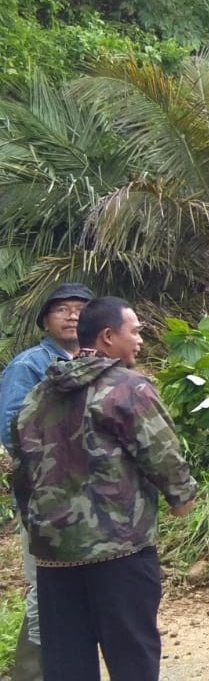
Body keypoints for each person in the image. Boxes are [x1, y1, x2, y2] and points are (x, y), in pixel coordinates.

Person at [11, 296, 198, 681]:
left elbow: (23, 470)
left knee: (66, 664)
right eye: (135, 332)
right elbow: (162, 451)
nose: (140, 341)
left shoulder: (39, 395)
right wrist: (181, 497)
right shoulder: (126, 387)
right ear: (108, 336)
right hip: (119, 551)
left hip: (53, 557)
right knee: (132, 656)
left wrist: (39, 528)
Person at [0, 281, 94, 680]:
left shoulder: (94, 361)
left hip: (85, 498)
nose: (72, 315)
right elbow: (11, 425)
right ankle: (30, 673)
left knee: (74, 585)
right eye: (62, 309)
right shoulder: (30, 365)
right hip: (44, 495)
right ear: (45, 319)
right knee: (46, 584)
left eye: (80, 308)